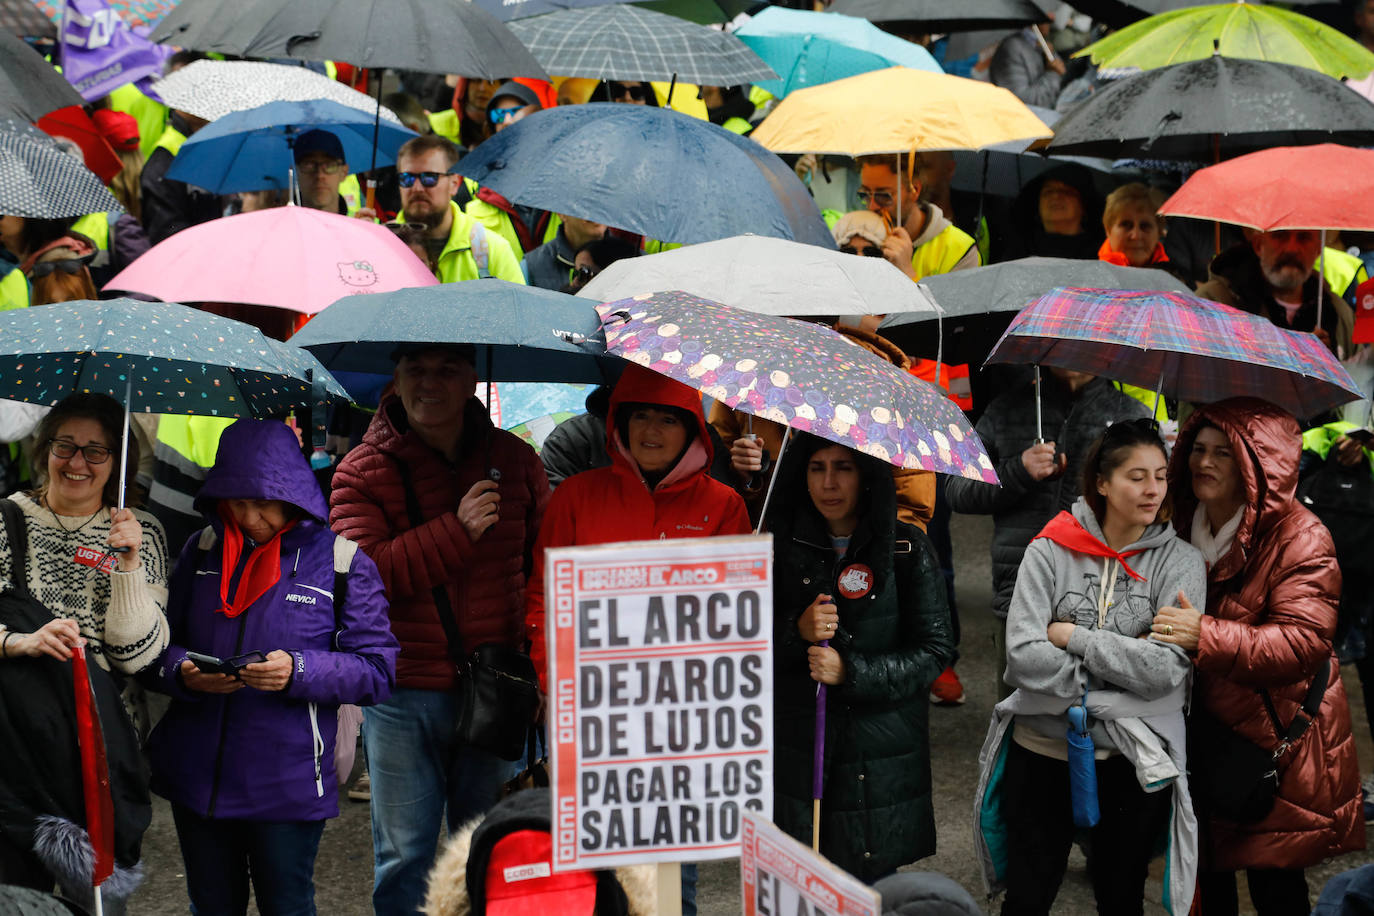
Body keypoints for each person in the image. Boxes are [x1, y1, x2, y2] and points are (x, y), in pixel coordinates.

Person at [329, 343, 550, 916]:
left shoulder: (517, 461)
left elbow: (543, 568)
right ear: (395, 380)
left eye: (447, 370)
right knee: (406, 856)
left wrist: (541, 663)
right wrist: (457, 530)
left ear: (473, 380)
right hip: (403, 692)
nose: (430, 384)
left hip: (498, 689)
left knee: (492, 846)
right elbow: (363, 577)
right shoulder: (361, 470)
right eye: (416, 370)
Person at [144, 420, 398, 916]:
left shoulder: (342, 562)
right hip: (198, 777)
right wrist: (182, 672)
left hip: (289, 783)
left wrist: (298, 670)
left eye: (263, 502)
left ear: (294, 494)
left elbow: (376, 669)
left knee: (288, 905)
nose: (250, 516)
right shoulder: (201, 550)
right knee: (211, 905)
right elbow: (155, 647)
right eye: (236, 502)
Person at [524, 363, 749, 916]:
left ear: (693, 429)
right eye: (638, 416)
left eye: (667, 419)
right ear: (617, 425)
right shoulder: (575, 497)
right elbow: (541, 600)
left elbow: (735, 621)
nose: (650, 431)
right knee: (592, 874)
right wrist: (555, 681)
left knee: (672, 881)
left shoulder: (724, 507)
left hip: (680, 723)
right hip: (588, 714)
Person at [975, 419, 1204, 915]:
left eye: (1161, 475)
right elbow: (1022, 656)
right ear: (1102, 482)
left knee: (1122, 895)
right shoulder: (1048, 550)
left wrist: (1072, 636)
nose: (1153, 489)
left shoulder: (1181, 563)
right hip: (1041, 750)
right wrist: (1121, 671)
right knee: (1029, 894)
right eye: (1136, 476)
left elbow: (1166, 671)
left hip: (1130, 759)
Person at [1151, 398, 1363, 914]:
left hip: (1274, 734)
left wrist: (1205, 635)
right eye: (1197, 449)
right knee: (1204, 871)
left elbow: (1302, 643)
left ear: (1257, 462)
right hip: (1199, 730)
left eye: (1224, 453)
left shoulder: (1302, 536)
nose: (1204, 462)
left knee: (1275, 881)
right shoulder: (1175, 518)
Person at [0, 393, 168, 903]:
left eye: (96, 451)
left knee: (96, 904)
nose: (77, 462)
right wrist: (16, 642)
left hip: (100, 750)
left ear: (119, 462)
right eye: (65, 446)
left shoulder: (144, 534)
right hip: (14, 744)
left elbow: (137, 655)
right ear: (42, 448)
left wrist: (128, 566)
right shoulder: (7, 521)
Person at [767, 434, 954, 881]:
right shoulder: (776, 547)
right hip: (797, 753)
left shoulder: (906, 549)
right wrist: (796, 631)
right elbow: (741, 642)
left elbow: (934, 650)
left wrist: (852, 672)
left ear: (867, 477)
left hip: (878, 758)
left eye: (843, 468)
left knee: (867, 889)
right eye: (816, 468)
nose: (829, 483)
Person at [945, 368, 1150, 698]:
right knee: (1019, 727)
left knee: (1096, 731)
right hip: (1019, 596)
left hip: (1103, 601)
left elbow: (1153, 511)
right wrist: (1018, 472)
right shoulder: (1006, 410)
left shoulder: (1129, 416)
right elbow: (957, 490)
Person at [388, 136, 525, 284]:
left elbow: (517, 306)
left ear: (454, 183)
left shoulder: (492, 250)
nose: (417, 188)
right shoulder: (382, 245)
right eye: (406, 178)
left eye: (429, 178)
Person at [1196, 229, 1356, 356]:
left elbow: (1359, 387)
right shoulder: (1212, 305)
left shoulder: (1338, 314)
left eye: (1304, 237)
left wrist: (1328, 366)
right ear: (1259, 245)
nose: (1292, 249)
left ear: (1318, 250)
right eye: (1281, 236)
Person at [854, 155, 980, 280]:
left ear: (915, 189)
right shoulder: (855, 236)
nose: (872, 206)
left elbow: (954, 301)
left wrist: (907, 273)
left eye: (884, 196)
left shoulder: (960, 250)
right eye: (864, 194)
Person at [996, 165, 1103, 263]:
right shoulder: (1018, 253)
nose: (1056, 196)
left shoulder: (1102, 254)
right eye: (1048, 191)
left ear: (1084, 205)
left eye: (1067, 191)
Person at [1098, 182, 1173, 271]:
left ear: (1159, 232)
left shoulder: (1179, 280)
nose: (1136, 236)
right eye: (1126, 225)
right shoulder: (1086, 280)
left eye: (1145, 226)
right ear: (1108, 230)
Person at [989, 22, 1066, 107]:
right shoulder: (1012, 49)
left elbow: (1062, 73)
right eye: (1047, 13)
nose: (1052, 17)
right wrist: (1053, 73)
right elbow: (1024, 102)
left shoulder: (1041, 42)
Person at [522, 214, 607, 290]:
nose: (596, 212)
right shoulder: (531, 265)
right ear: (561, 214)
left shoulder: (619, 259)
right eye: (586, 204)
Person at [294, 129, 352, 215]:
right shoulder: (280, 228)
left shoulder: (358, 227)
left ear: (344, 172)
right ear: (296, 172)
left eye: (329, 165)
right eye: (309, 165)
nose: (319, 175)